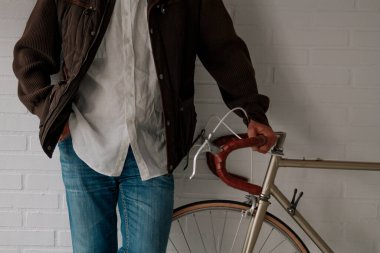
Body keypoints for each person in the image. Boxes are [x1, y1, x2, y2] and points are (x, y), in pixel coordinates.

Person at [13, 0, 277, 252]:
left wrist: (252, 112)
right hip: (84, 143)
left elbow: (223, 49)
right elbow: (30, 54)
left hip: (154, 147)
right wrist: (48, 111)